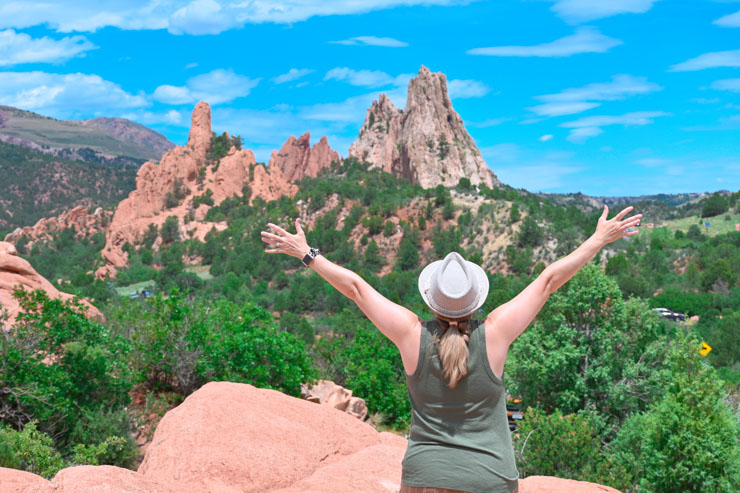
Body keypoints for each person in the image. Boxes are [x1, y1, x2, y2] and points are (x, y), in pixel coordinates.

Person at [261, 204, 642, 493]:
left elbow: (357, 288)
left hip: (424, 479)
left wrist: (307, 253)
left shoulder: (412, 335)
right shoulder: (494, 334)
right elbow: (547, 281)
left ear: (431, 302)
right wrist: (598, 240)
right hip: (490, 480)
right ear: (476, 301)